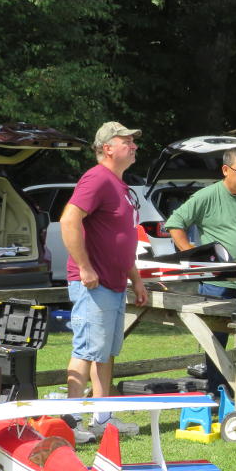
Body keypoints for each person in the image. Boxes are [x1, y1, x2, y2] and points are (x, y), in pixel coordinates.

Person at [164, 148, 236, 403]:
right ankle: (218, 394)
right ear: (225, 170)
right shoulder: (207, 195)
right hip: (215, 284)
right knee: (215, 341)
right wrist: (192, 256)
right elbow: (175, 223)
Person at [61, 121, 148, 443]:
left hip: (113, 285)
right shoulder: (97, 178)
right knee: (86, 350)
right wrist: (84, 268)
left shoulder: (120, 185)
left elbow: (121, 241)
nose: (134, 146)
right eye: (127, 141)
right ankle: (70, 421)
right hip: (93, 286)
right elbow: (68, 219)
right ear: (107, 147)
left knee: (106, 353)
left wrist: (136, 280)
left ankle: (103, 417)